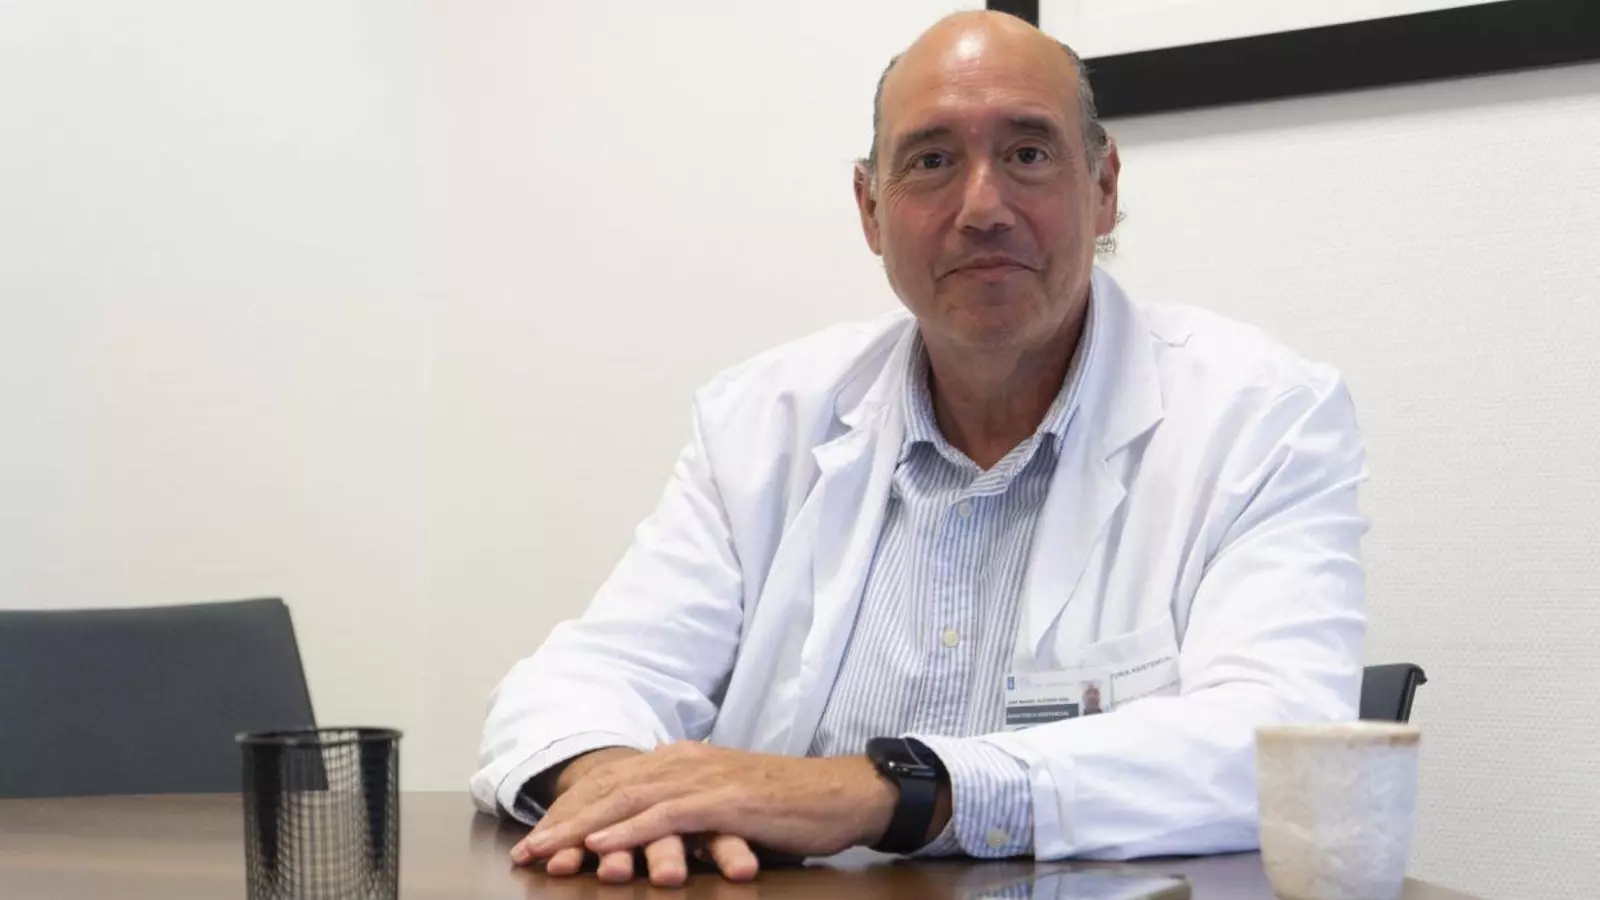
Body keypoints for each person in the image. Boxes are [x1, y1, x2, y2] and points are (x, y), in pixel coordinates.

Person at [471, 9, 1367, 887]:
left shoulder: (1262, 417)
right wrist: (626, 790)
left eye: (1028, 153)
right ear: (871, 209)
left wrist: (882, 792)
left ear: (1103, 188)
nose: (984, 208)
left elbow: (1280, 745)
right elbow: (588, 678)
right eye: (932, 161)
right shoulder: (765, 420)